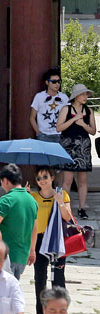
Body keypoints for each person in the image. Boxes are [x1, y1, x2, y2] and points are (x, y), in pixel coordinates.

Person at [30, 166, 72, 314]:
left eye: (45, 177)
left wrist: (60, 202)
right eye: (39, 178)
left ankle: (61, 310)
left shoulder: (62, 194)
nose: (42, 181)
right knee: (40, 276)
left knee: (58, 277)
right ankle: (41, 311)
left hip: (56, 239)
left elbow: (67, 217)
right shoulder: (33, 196)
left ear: (52, 178)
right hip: (39, 239)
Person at [0, 163, 38, 280]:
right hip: (22, 255)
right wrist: (32, 250)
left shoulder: (7, 199)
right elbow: (34, 228)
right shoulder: (32, 200)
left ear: (5, 180)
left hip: (4, 256)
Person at [57, 84, 96, 220]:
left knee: (83, 180)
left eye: (86, 94)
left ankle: (81, 208)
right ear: (76, 96)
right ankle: (63, 208)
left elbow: (93, 131)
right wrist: (74, 119)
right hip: (68, 146)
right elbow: (58, 128)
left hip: (83, 146)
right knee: (67, 180)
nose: (85, 97)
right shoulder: (66, 109)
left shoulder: (89, 110)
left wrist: (83, 124)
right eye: (83, 94)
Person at [30, 69, 69, 143]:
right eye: (54, 82)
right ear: (47, 82)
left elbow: (69, 115)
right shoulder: (39, 97)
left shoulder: (64, 97)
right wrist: (38, 132)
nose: (57, 84)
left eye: (59, 81)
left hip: (60, 135)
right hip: (43, 135)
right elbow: (32, 117)